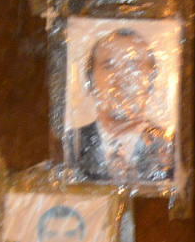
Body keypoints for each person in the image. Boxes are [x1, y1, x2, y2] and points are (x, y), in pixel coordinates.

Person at [73, 29, 175, 183]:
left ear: (151, 81)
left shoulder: (173, 148)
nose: (121, 79)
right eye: (109, 66)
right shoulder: (70, 146)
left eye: (134, 67)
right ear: (90, 80)